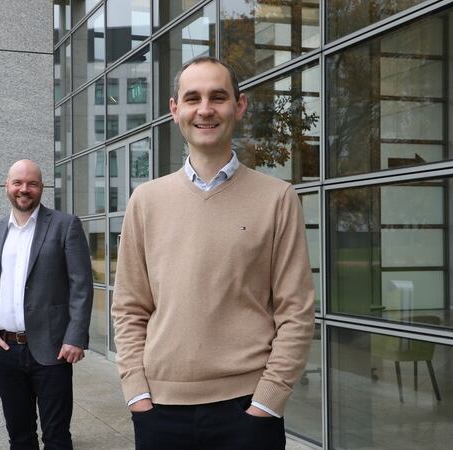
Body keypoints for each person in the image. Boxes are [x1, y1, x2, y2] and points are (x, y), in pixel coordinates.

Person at [111, 56, 315, 449]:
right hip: (160, 410)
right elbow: (129, 307)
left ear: (239, 106)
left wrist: (267, 402)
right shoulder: (146, 201)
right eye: (193, 98)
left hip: (247, 410)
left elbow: (296, 311)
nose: (205, 109)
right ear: (175, 110)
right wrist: (136, 393)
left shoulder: (277, 198)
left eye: (217, 97)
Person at [0, 159, 93, 450]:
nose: (24, 189)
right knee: (20, 437)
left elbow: (81, 286)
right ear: (7, 186)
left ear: (42, 187)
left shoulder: (65, 225)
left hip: (53, 351)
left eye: (32, 183)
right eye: (17, 182)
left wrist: (75, 337)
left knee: (57, 438)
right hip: (6, 350)